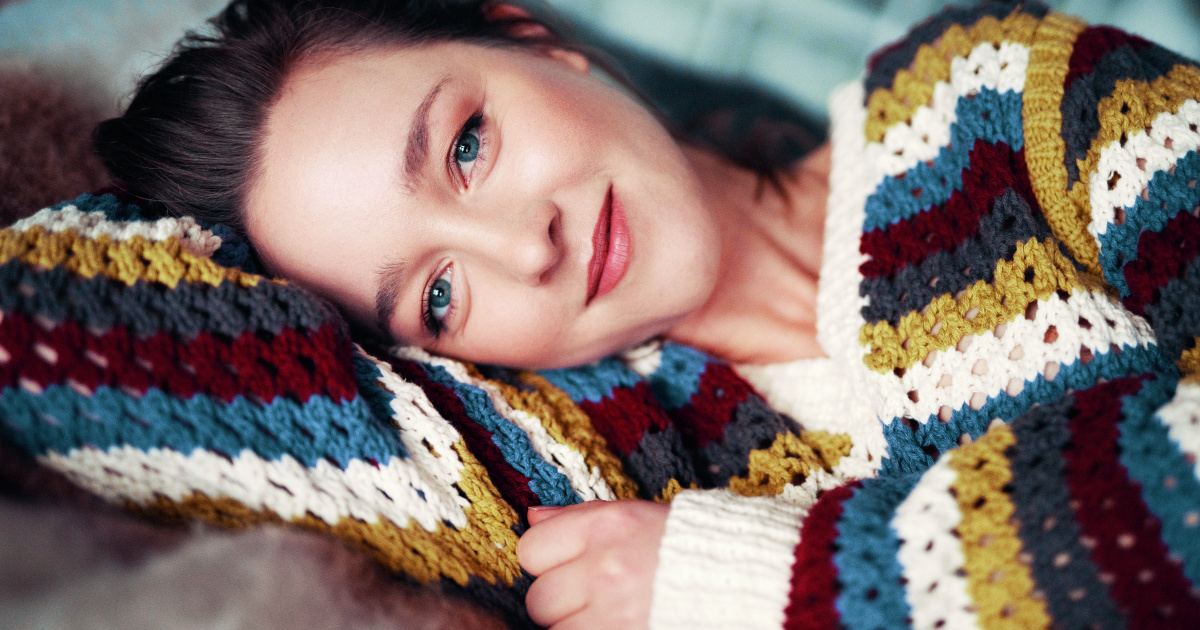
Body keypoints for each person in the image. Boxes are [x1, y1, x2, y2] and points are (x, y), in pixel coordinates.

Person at [92, 0, 1200, 629]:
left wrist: (786, 581)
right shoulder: (607, 476)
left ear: (533, 39)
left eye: (468, 146)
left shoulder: (995, 104)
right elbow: (62, 341)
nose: (529, 247)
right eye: (438, 294)